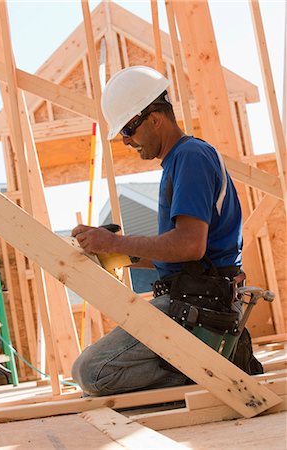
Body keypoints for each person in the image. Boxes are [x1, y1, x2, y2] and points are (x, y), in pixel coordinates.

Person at [71, 66, 246, 396]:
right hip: (192, 296)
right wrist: (118, 251)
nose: (126, 141)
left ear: (154, 117)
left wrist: (114, 240)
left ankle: (213, 371)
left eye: (128, 129)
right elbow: (187, 254)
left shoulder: (190, 157)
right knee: (89, 375)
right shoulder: (180, 162)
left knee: (92, 373)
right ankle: (206, 365)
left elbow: (190, 246)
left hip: (201, 306)